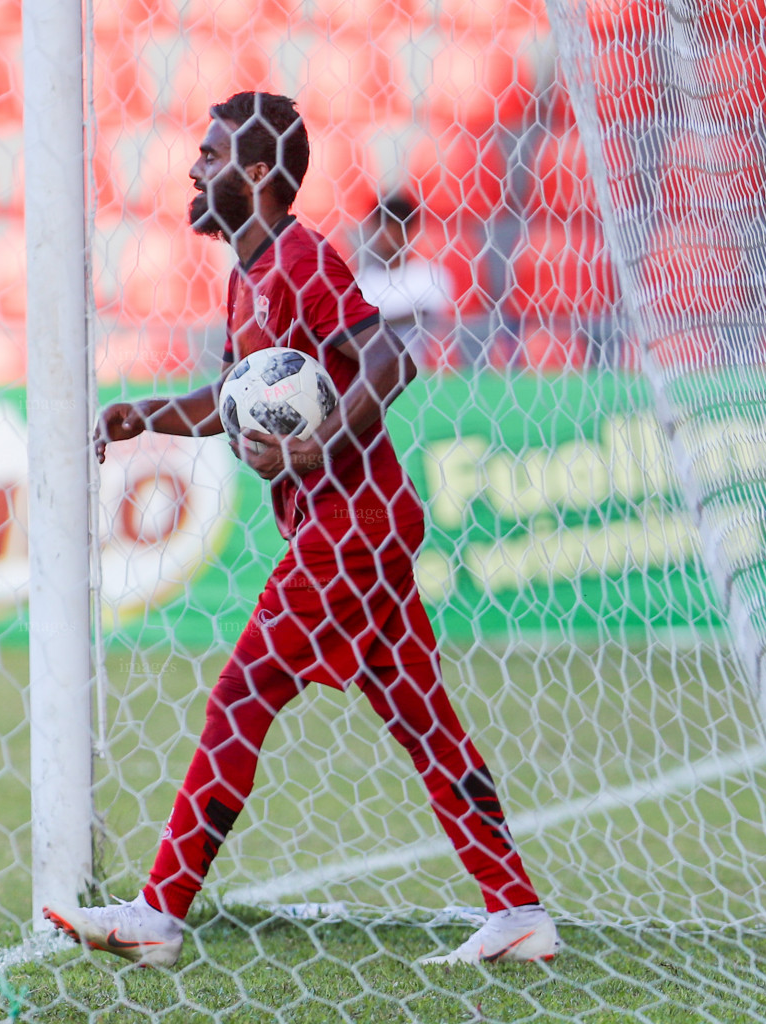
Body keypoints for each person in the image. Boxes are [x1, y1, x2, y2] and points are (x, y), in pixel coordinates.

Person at [42, 92, 558, 968]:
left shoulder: (303, 258)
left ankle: (159, 914)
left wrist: (319, 441)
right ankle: (517, 910)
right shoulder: (245, 277)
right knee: (422, 720)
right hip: (363, 523)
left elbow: (391, 357)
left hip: (346, 529)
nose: (194, 169)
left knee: (242, 695)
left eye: (210, 156)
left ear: (255, 174)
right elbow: (234, 404)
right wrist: (150, 416)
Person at [354, 192, 455, 332]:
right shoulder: (359, 282)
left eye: (393, 225)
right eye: (381, 224)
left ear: (408, 229)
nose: (386, 232)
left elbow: (427, 317)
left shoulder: (432, 276)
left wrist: (373, 324)